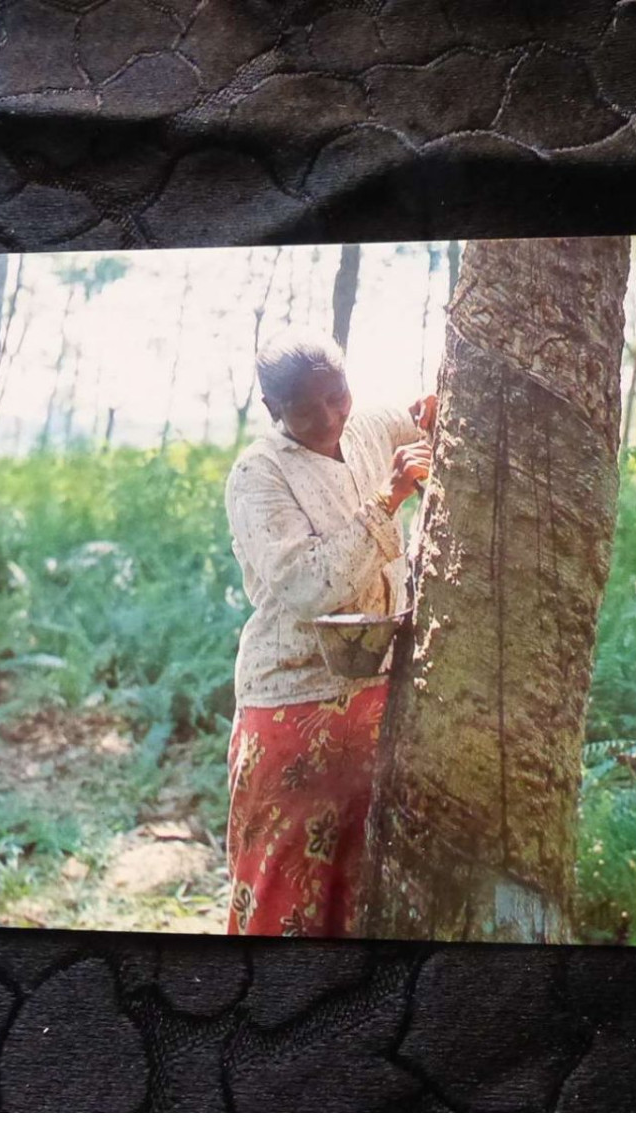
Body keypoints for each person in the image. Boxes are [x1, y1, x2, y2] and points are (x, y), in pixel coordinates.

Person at [222, 327, 436, 938]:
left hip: (376, 705)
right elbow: (308, 587)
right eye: (305, 408)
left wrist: (436, 410)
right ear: (273, 411)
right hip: (293, 708)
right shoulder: (258, 475)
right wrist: (388, 498)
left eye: (336, 395)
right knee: (283, 897)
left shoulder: (365, 426)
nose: (328, 416)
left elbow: (426, 414)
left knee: (359, 897)